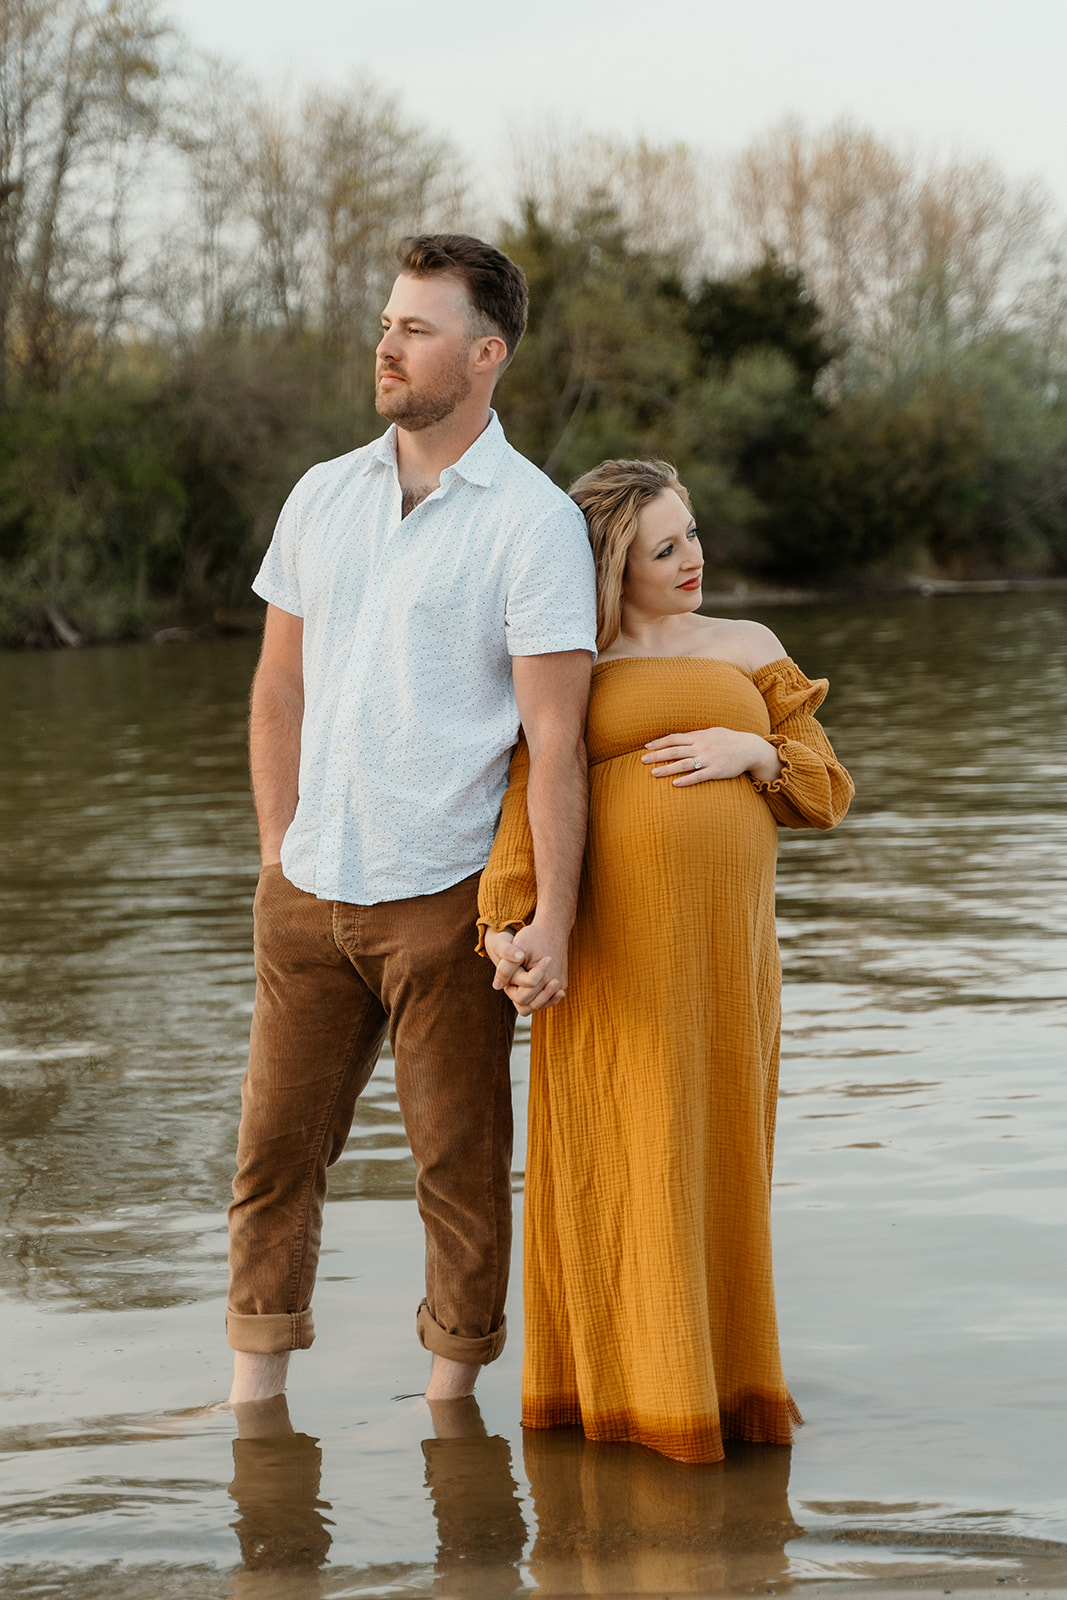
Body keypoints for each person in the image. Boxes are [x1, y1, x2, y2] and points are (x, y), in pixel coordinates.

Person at [226, 234, 597, 1408]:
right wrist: (277, 851)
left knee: (459, 1167)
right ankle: (253, 1401)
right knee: (272, 1160)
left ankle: (451, 1413)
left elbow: (557, 742)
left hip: (445, 900)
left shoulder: (531, 524)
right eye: (386, 322)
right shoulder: (321, 493)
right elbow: (276, 687)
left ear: (484, 355)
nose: (386, 344)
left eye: (416, 328)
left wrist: (554, 919)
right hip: (306, 891)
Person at [479, 458, 853, 1464]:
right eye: (664, 546)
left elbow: (826, 788)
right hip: (611, 955)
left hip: (725, 968)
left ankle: (721, 1390)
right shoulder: (570, 656)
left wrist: (755, 755)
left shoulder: (745, 646)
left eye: (691, 534)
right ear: (612, 562)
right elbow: (526, 789)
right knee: (623, 1150)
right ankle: (620, 1394)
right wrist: (505, 923)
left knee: (714, 1154)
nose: (693, 559)